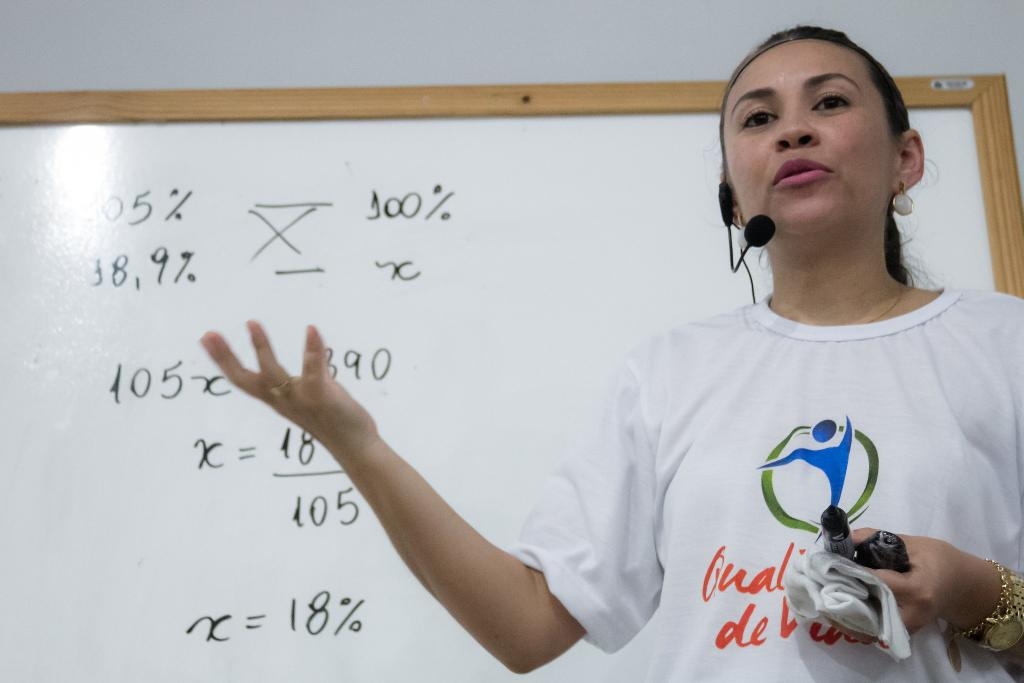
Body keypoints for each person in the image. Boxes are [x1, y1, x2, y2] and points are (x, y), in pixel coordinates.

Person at [201, 26, 1024, 681]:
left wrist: (974, 589)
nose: (793, 130)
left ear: (906, 160)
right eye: (758, 118)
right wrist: (358, 445)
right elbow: (527, 627)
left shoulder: (1003, 342)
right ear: (733, 199)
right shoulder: (670, 372)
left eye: (830, 102)